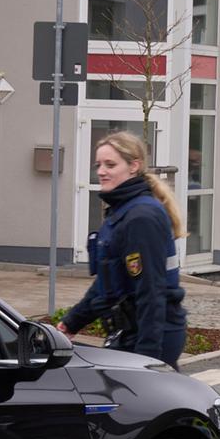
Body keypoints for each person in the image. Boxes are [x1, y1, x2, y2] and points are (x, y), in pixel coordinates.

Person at [57, 130, 189, 369]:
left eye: (110, 164)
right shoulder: (121, 212)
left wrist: (148, 359)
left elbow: (151, 291)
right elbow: (106, 286)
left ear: (133, 166)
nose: (101, 171)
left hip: (150, 335)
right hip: (129, 331)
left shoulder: (141, 217)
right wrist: (71, 323)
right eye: (98, 165)